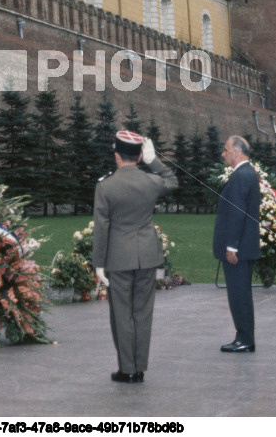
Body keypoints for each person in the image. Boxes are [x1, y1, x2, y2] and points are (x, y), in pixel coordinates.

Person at [92, 130, 178, 384]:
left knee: (122, 313)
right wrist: (154, 161)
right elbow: (172, 181)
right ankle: (139, 367)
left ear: (117, 155)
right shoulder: (151, 181)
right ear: (139, 156)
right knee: (142, 313)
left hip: (118, 258)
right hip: (147, 255)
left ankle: (127, 369)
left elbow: (101, 227)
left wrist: (98, 264)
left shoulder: (105, 186)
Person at [213, 135, 262, 353]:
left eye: (225, 150)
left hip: (238, 248)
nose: (223, 154)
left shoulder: (241, 175)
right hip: (243, 245)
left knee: (239, 294)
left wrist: (231, 246)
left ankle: (244, 339)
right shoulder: (246, 173)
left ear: (236, 152)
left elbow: (237, 213)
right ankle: (244, 337)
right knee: (240, 293)